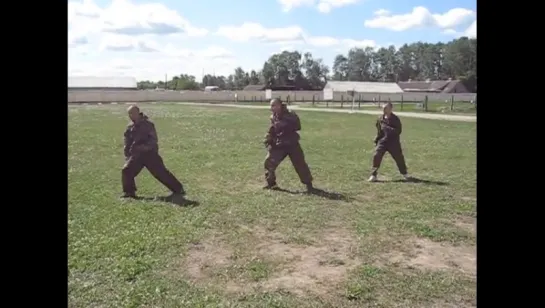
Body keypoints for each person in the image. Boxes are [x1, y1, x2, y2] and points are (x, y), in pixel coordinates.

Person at [121, 105, 186, 199]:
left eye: (132, 113)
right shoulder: (130, 126)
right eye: (129, 114)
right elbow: (127, 141)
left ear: (138, 113)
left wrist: (143, 147)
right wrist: (127, 153)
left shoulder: (148, 124)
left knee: (161, 173)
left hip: (150, 154)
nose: (131, 116)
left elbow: (153, 140)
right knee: (127, 170)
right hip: (136, 155)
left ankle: (178, 189)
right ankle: (129, 193)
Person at [263, 99, 315, 193]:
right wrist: (268, 137)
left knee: (300, 164)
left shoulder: (290, 115)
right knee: (269, 162)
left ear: (279, 105)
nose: (271, 108)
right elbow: (272, 129)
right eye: (271, 106)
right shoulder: (273, 117)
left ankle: (309, 185)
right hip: (279, 144)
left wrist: (285, 124)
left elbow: (298, 126)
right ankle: (271, 184)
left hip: (292, 144)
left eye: (273, 106)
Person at [368, 102, 412, 182]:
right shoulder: (380, 118)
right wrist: (377, 139)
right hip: (383, 142)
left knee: (399, 158)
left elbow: (398, 131)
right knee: (377, 156)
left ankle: (404, 173)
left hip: (393, 142)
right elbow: (379, 130)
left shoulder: (395, 119)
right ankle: (373, 175)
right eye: (383, 108)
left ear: (391, 109)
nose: (384, 110)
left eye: (386, 108)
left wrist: (388, 128)